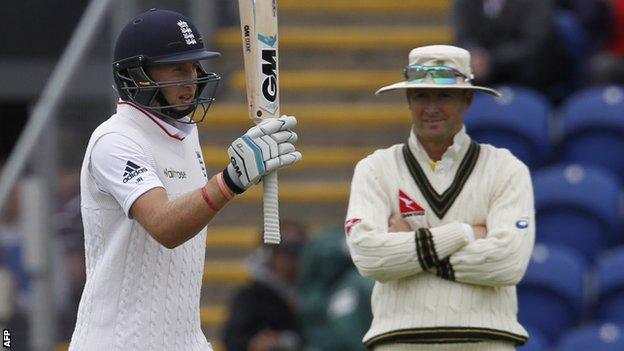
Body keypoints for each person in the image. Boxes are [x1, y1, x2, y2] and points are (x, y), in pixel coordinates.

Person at [68, 9, 301, 351]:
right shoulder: (115, 140)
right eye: (178, 67)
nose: (192, 78)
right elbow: (164, 226)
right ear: (138, 74)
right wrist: (230, 181)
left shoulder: (184, 133)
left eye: (194, 66)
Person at [345, 45, 535, 350]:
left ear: (467, 99)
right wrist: (464, 233)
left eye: (444, 95)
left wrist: (411, 248)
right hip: (400, 341)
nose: (431, 108)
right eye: (422, 96)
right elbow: (369, 257)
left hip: (485, 340)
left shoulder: (506, 168)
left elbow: (508, 262)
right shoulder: (375, 169)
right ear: (409, 99)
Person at [452, 0, 571, 101]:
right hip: (478, 73)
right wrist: (475, 55)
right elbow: (463, 36)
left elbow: (534, 43)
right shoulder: (465, 2)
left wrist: (490, 61)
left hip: (526, 76)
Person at [222, 221, 306, 351]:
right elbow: (233, 339)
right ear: (269, 254)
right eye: (286, 252)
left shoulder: (316, 292)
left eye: (297, 251)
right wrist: (255, 343)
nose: (293, 260)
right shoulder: (250, 297)